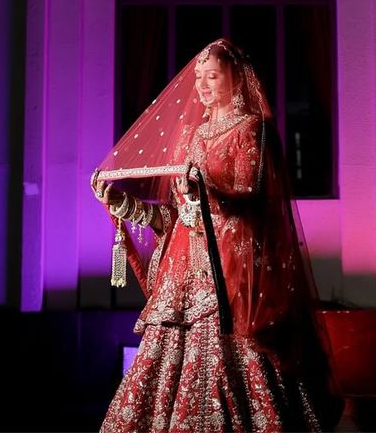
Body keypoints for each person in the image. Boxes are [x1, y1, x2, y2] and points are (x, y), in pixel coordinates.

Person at [90, 38, 342, 432]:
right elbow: (177, 217)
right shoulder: (194, 135)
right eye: (199, 77)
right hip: (184, 277)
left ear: (235, 78)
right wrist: (125, 205)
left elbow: (251, 201)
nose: (203, 85)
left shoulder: (252, 130)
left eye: (212, 76)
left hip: (231, 277)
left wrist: (204, 195)